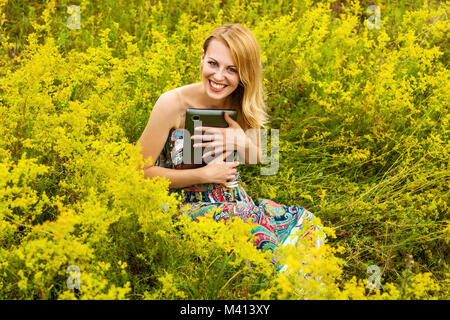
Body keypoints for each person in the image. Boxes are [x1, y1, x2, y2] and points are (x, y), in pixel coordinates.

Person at [136, 23, 325, 269]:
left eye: (232, 70)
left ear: (244, 74)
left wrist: (241, 141)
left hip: (230, 197)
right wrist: (202, 175)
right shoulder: (172, 104)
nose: (218, 76)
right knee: (255, 231)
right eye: (213, 63)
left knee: (308, 223)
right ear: (202, 58)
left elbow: (260, 158)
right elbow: (139, 171)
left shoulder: (242, 102)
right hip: (178, 205)